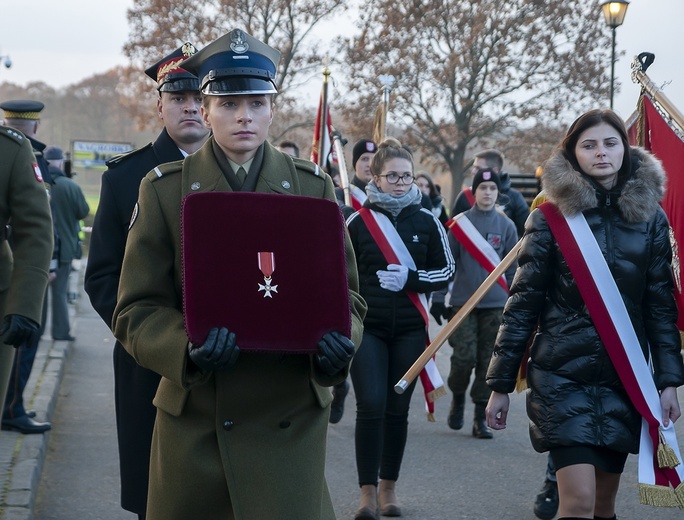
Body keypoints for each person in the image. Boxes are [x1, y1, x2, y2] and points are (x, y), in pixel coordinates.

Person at [111, 29, 366, 520]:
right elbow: (135, 308)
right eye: (227, 104)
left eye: (256, 102)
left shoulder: (311, 189)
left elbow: (350, 297)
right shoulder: (165, 191)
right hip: (200, 422)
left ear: (273, 109)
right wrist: (184, 347)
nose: (243, 116)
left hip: (288, 420)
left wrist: (340, 341)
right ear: (204, 111)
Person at [486, 109, 684, 520]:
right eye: (588, 145)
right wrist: (500, 384)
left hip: (624, 379)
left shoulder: (651, 221)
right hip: (561, 376)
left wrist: (668, 381)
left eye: (610, 143)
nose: (601, 153)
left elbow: (660, 308)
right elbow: (522, 306)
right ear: (573, 154)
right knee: (577, 503)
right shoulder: (549, 219)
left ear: (625, 150)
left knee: (604, 507)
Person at [84, 43, 209, 519]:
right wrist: (148, 333)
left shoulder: (240, 174)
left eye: (201, 97)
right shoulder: (126, 178)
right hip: (149, 357)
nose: (191, 107)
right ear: (160, 105)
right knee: (153, 492)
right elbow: (102, 277)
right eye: (179, 98)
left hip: (223, 352)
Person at [346, 137, 454, 519]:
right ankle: (367, 493)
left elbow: (447, 270)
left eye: (406, 177)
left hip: (411, 331)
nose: (400, 183)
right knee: (370, 405)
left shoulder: (428, 220)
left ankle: (389, 487)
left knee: (396, 409)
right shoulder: (357, 221)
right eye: (392, 176)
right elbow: (341, 274)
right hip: (369, 330)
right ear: (375, 177)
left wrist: (411, 277)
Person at [430, 168, 517, 439]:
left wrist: (516, 302)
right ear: (473, 192)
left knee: (486, 362)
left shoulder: (507, 226)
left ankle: (480, 415)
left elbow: (514, 271)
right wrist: (437, 297)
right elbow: (447, 265)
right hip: (463, 305)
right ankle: (458, 398)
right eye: (483, 188)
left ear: (497, 193)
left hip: (495, 306)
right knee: (463, 359)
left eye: (492, 189)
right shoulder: (459, 225)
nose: (488, 193)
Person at [1, 100, 58, 435]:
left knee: (21, 342)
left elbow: (38, 226)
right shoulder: (27, 151)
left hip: (22, 272)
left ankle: (12, 406)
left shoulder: (16, 151)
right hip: (26, 268)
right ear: (35, 126)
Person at [44, 146, 89, 341]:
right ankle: (60, 332)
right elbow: (83, 212)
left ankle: (33, 335)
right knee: (60, 293)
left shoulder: (40, 183)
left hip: (40, 248)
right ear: (61, 163)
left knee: (38, 294)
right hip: (64, 250)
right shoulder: (70, 187)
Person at [451, 149, 529, 237]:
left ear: (495, 171)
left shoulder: (515, 198)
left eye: (478, 168)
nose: (473, 171)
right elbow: (454, 233)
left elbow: (524, 233)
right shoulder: (464, 197)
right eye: (474, 167)